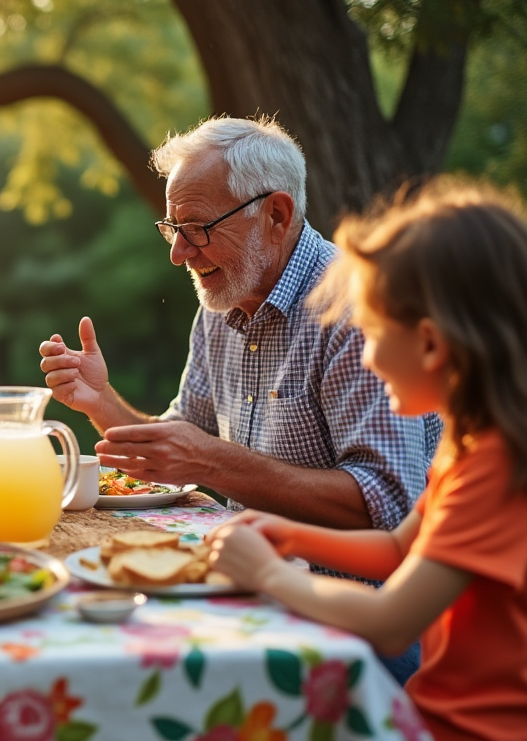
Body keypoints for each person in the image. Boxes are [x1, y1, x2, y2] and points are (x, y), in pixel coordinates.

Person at [208, 178, 527, 739]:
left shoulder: (497, 467)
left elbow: (389, 622)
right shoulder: (472, 440)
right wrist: (289, 537)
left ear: (430, 344)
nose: (369, 357)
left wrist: (265, 573)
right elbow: (401, 549)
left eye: (373, 333)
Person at [39, 116, 438, 531]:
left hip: (343, 591)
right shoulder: (223, 300)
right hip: (248, 574)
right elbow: (179, 447)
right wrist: (100, 399)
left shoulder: (358, 309)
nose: (178, 254)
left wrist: (213, 460)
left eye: (196, 227)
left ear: (276, 216)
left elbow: (388, 501)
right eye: (173, 229)